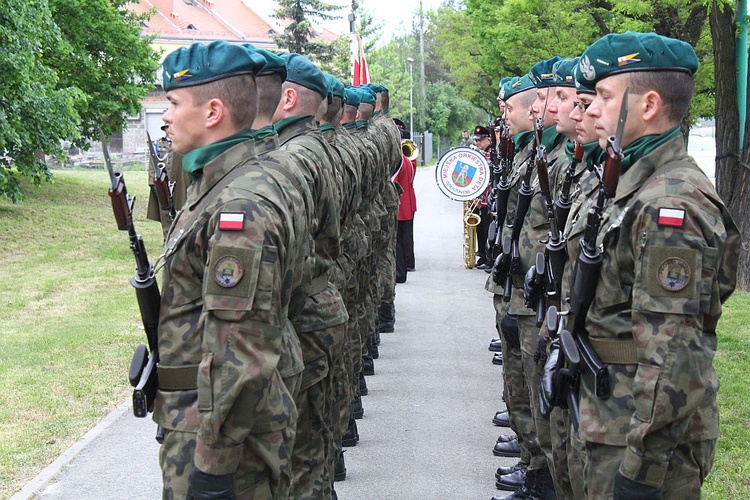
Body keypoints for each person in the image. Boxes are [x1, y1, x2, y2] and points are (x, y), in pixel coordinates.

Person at [573, 32, 739, 498]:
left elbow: (674, 352)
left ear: (647, 105)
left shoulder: (670, 206)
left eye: (605, 97)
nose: (593, 109)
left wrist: (642, 472)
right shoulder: (637, 184)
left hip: (641, 440)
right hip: (613, 415)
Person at [154, 40, 306, 498]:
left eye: (173, 103)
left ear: (213, 111)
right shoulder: (231, 180)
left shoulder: (239, 204)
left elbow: (242, 344)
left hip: (220, 432)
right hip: (215, 417)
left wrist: (212, 464)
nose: (164, 116)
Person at [272, 52, 350, 500]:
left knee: (302, 451)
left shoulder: (296, 155)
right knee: (314, 443)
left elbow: (296, 252)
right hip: (322, 305)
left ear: (288, 97)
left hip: (307, 314)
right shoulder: (314, 147)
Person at [393, 121, 417, 283]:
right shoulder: (406, 160)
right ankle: (407, 264)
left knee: (399, 241)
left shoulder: (399, 161)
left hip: (401, 204)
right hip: (406, 203)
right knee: (405, 238)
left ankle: (401, 271)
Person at [472, 125, 492, 270]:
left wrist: (479, 196)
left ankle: (488, 256)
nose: (478, 143)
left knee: (487, 228)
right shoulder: (481, 153)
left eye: (481, 140)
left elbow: (487, 178)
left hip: (487, 198)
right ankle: (482, 255)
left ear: (488, 139)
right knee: (480, 228)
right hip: (479, 199)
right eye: (477, 140)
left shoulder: (491, 154)